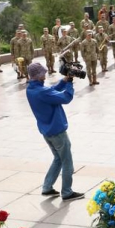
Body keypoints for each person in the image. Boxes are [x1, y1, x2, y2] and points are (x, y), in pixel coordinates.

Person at [25, 62, 83, 200]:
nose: (45, 74)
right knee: (67, 162)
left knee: (58, 159)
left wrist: (63, 81)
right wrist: (69, 83)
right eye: (43, 73)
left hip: (46, 131)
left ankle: (47, 187)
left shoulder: (31, 89)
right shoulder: (42, 92)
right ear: (39, 75)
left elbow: (50, 90)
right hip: (57, 132)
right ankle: (67, 192)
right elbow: (66, 98)